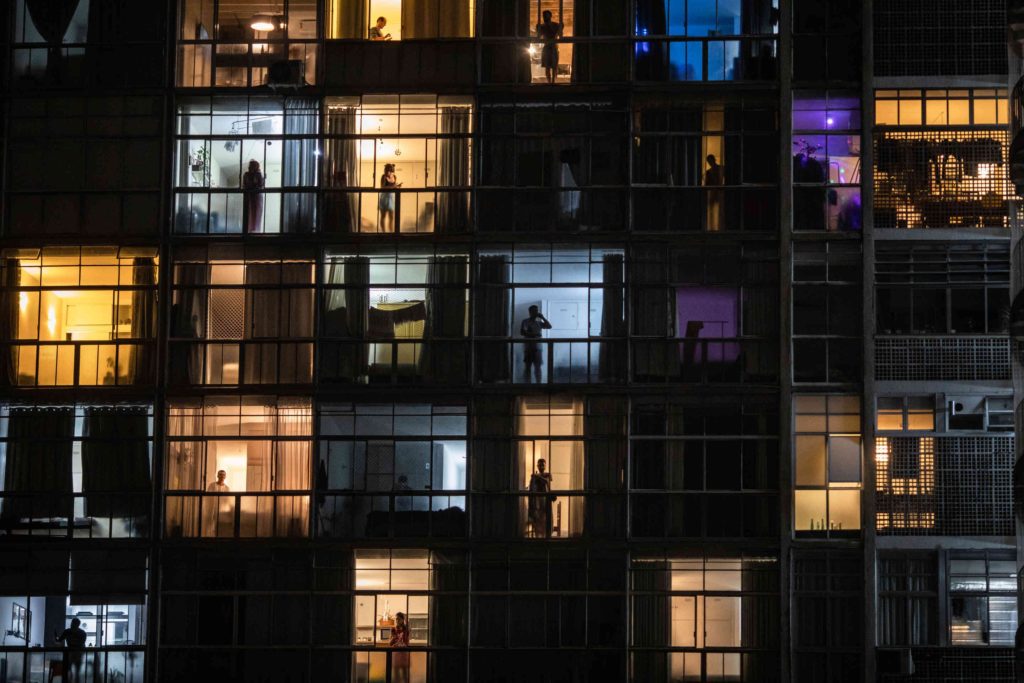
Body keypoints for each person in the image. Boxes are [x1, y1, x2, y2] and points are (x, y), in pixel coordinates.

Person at [520, 305, 552, 383]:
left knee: (538, 367)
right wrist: (535, 335)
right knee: (528, 367)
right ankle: (527, 384)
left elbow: (549, 326)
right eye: (534, 311)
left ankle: (538, 384)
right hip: (528, 347)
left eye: (537, 311)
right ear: (530, 312)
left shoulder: (539, 323)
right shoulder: (525, 321)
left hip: (538, 348)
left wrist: (543, 317)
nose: (536, 312)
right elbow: (522, 332)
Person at [528, 458, 555, 538]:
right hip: (537, 498)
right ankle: (538, 536)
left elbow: (546, 481)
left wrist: (537, 476)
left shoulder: (547, 474)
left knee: (545, 516)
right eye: (539, 465)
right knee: (538, 517)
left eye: (542, 465)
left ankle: (546, 535)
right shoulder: (535, 476)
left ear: (545, 466)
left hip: (545, 498)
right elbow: (531, 487)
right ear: (537, 466)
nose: (541, 467)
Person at [55, 617, 87, 682]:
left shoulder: (67, 631)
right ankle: (75, 680)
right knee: (77, 671)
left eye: (72, 623)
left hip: (71, 653)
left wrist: (55, 636)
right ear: (78, 625)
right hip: (78, 653)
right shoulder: (82, 633)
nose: (72, 625)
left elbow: (59, 640)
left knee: (69, 670)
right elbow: (82, 643)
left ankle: (70, 680)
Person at [536, 10, 563, 84]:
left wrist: (560, 28)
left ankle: (553, 82)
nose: (545, 17)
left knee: (554, 66)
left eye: (546, 15)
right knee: (548, 66)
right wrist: (538, 29)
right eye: (544, 16)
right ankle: (550, 82)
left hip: (553, 47)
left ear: (550, 16)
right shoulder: (543, 26)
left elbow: (560, 35)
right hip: (548, 47)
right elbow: (538, 37)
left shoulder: (555, 25)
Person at [242, 159, 265, 233]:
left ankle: (255, 230)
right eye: (250, 165)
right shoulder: (246, 174)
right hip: (249, 196)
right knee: (249, 212)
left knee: (257, 212)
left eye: (252, 165)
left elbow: (261, 185)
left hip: (257, 196)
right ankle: (249, 230)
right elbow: (244, 185)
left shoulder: (258, 174)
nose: (250, 167)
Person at [378, 163, 401, 232]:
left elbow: (394, 187)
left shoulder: (394, 177)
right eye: (387, 170)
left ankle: (391, 231)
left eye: (390, 171)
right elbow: (382, 187)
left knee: (391, 216)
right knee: (383, 216)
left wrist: (397, 186)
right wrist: (393, 186)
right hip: (384, 197)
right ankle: (383, 232)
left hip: (391, 197)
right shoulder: (383, 177)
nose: (389, 172)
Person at [704, 154, 724, 231]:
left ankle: (717, 226)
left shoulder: (720, 169)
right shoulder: (709, 172)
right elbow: (707, 183)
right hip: (713, 192)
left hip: (718, 192)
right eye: (708, 161)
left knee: (719, 209)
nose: (709, 163)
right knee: (712, 209)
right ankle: (712, 226)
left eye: (710, 161)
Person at [389, 611, 411, 683]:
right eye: (396, 619)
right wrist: (393, 638)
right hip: (396, 653)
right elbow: (390, 643)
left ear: (402, 620)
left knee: (405, 672)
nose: (397, 621)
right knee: (396, 672)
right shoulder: (393, 629)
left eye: (399, 619)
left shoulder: (406, 630)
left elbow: (407, 642)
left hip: (404, 652)